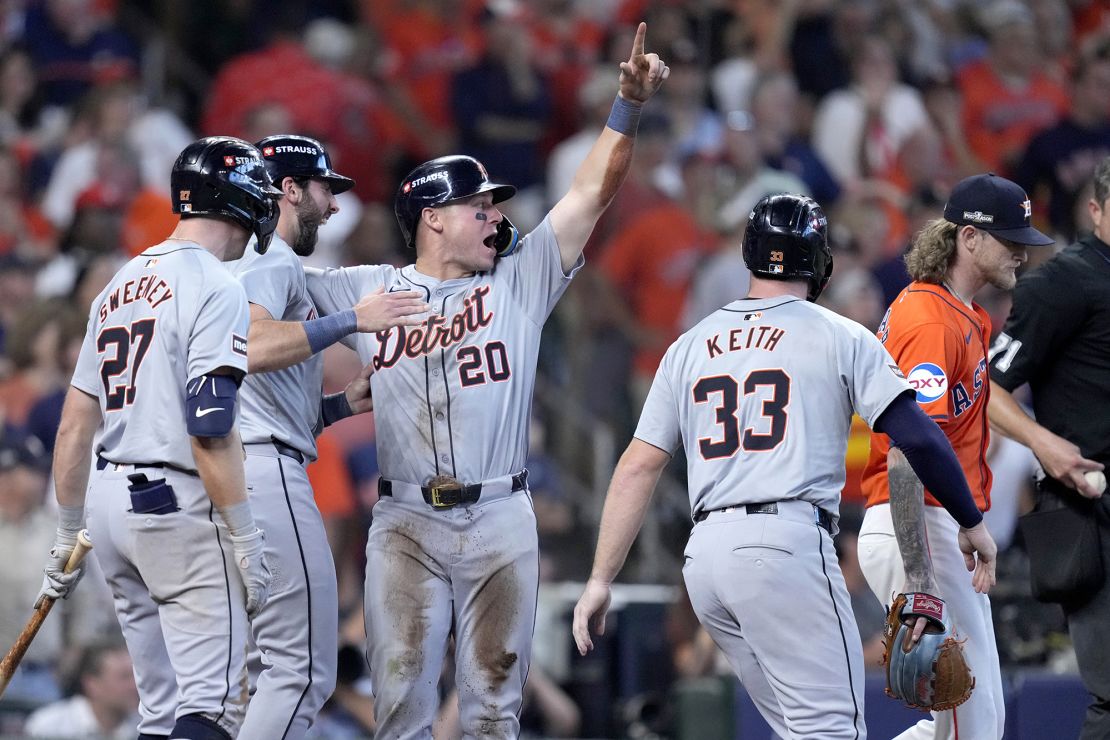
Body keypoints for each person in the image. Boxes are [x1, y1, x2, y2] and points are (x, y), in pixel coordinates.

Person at [305, 22, 668, 737]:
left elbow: (592, 193)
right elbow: (262, 297)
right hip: (405, 519)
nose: (495, 215)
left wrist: (625, 108)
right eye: (479, 206)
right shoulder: (366, 286)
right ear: (433, 219)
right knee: (401, 706)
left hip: (501, 515)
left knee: (494, 709)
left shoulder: (520, 279)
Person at [572, 193, 996, 738]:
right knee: (831, 731)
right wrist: (971, 520)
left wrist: (600, 578)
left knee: (805, 731)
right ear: (820, 263)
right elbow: (921, 439)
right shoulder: (838, 333)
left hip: (706, 563)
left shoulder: (688, 346)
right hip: (785, 547)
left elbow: (637, 466)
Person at [38, 136, 280, 739]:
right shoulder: (216, 284)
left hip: (108, 505)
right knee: (213, 707)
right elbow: (211, 426)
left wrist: (70, 532)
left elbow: (74, 425)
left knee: (159, 708)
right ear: (238, 199)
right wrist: (245, 534)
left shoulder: (117, 282)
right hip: (173, 505)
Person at [227, 134, 427, 738]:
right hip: (260, 470)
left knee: (233, 677)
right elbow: (252, 348)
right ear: (289, 190)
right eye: (324, 189)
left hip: (221, 460)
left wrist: (340, 405)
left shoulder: (232, 262)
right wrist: (353, 319)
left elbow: (250, 391)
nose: (335, 206)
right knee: (304, 673)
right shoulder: (270, 255)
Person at [858, 172, 1054, 739]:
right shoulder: (928, 322)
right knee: (976, 722)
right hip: (914, 523)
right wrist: (920, 576)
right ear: (968, 238)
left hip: (937, 524)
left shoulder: (964, 315)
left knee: (959, 722)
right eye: (1009, 238)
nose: (1021, 251)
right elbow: (906, 455)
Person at [988, 157, 1110, 738]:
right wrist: (1044, 443)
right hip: (1092, 509)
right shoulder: (1064, 282)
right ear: (1095, 210)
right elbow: (987, 387)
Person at [23, 639, 139, 739]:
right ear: (92, 684)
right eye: (124, 677)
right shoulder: (48, 726)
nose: (134, 685)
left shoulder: (146, 726)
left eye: (135, 676)